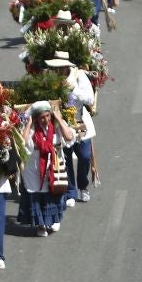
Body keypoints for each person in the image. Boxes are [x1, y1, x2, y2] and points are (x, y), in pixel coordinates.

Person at [44, 51, 96, 205]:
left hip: (79, 122)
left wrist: (73, 89)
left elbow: (90, 99)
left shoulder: (79, 77)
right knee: (65, 157)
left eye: (60, 68)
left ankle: (83, 185)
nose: (57, 71)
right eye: (55, 68)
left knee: (85, 156)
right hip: (60, 123)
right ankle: (71, 191)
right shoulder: (49, 78)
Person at [18, 101, 75, 237]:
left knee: (53, 193)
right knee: (37, 196)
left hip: (53, 166)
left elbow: (69, 137)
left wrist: (60, 119)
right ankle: (41, 224)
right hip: (35, 169)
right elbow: (22, 142)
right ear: (37, 118)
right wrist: (29, 123)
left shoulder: (56, 127)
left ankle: (54, 220)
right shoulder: (32, 130)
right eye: (42, 117)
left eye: (48, 116)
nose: (45, 120)